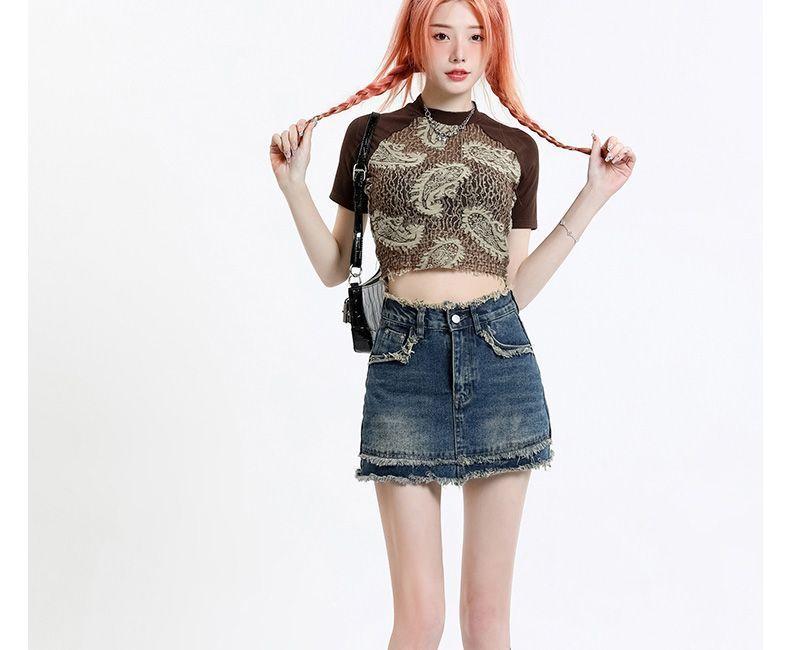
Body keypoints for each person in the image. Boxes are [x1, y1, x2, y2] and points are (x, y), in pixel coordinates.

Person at [269, 1, 636, 647]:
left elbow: (515, 289)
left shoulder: (516, 149)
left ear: (493, 46)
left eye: (475, 36)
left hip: (499, 360)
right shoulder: (369, 137)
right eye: (442, 35)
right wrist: (293, 187)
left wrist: (594, 196)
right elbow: (333, 266)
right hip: (403, 364)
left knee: (487, 620)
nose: (459, 53)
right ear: (417, 42)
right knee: (420, 620)